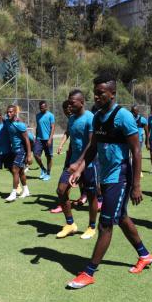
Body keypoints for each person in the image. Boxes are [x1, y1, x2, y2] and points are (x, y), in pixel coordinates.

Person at [66, 74, 152, 289]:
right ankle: (145, 254)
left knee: (106, 224)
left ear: (112, 94)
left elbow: (136, 150)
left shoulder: (122, 116)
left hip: (120, 176)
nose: (96, 96)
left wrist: (137, 186)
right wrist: (79, 167)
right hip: (105, 176)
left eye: (101, 93)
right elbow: (93, 147)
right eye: (95, 93)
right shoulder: (96, 117)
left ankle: (89, 271)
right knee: (121, 217)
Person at [54, 90, 99, 240]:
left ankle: (92, 227)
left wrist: (79, 163)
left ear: (82, 102)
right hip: (73, 163)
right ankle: (70, 224)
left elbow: (92, 143)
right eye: (69, 101)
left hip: (89, 162)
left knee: (92, 195)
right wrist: (70, 160)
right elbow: (73, 141)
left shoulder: (90, 118)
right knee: (61, 190)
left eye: (72, 102)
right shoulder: (71, 119)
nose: (70, 104)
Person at [4, 105, 32, 202]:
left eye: (11, 112)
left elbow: (27, 140)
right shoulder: (7, 121)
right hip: (14, 150)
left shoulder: (20, 125)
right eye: (8, 112)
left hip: (21, 150)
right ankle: (26, 190)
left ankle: (13, 193)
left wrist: (29, 155)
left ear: (15, 112)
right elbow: (0, 119)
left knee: (15, 169)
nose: (9, 113)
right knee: (20, 172)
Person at [34, 101, 56, 181]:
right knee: (36, 154)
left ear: (46, 107)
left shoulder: (51, 115)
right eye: (40, 108)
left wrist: (50, 139)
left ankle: (48, 174)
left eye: (42, 107)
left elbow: (53, 127)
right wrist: (36, 138)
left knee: (49, 157)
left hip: (48, 139)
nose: (41, 109)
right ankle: (43, 169)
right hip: (39, 139)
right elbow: (38, 127)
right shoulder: (37, 116)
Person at [131, 105, 149, 178]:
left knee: (137, 156)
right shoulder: (129, 118)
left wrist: (147, 142)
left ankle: (139, 171)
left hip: (139, 141)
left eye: (134, 111)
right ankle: (132, 170)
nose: (132, 113)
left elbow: (147, 132)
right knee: (130, 156)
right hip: (130, 140)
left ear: (137, 112)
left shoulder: (142, 120)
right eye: (131, 111)